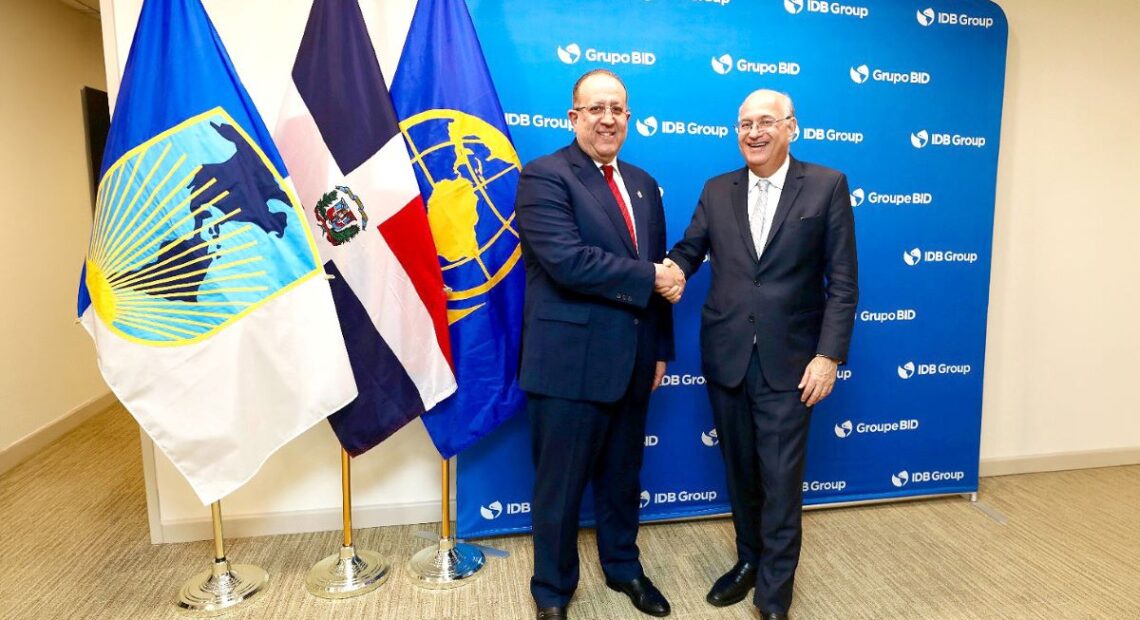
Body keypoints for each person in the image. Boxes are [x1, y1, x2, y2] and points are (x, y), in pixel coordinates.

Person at [666, 89, 858, 620]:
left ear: (791, 127)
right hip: (727, 355)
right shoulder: (717, 189)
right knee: (741, 473)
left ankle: (774, 595)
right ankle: (748, 560)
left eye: (766, 122)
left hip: (791, 364)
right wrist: (671, 270)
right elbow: (692, 247)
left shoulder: (826, 185)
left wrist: (828, 356)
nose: (754, 132)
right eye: (745, 123)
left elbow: (843, 283)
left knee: (780, 480)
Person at [514, 68, 683, 620]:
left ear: (628, 117)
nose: (607, 119)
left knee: (622, 478)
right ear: (574, 117)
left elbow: (655, 271)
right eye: (595, 109)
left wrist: (660, 348)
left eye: (617, 109)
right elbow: (568, 262)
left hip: (633, 360)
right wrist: (653, 277)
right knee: (559, 488)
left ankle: (624, 567)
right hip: (567, 364)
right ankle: (552, 590)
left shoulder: (643, 183)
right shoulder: (544, 176)